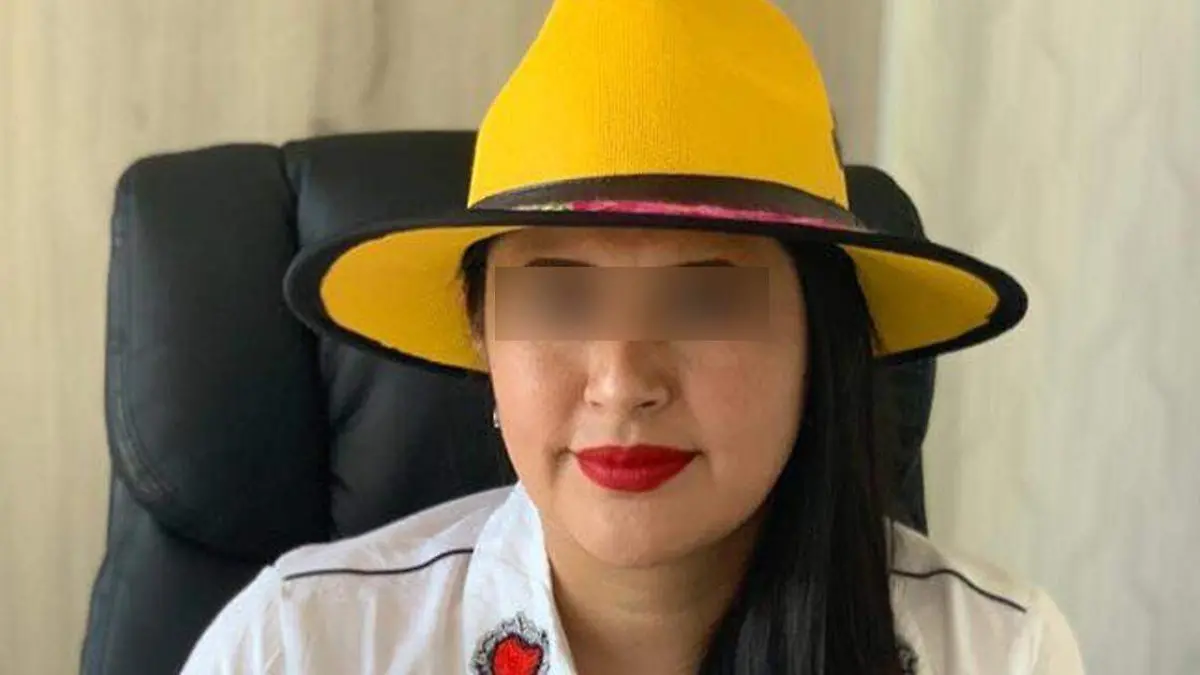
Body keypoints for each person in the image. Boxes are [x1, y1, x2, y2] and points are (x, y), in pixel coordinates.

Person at [182, 0, 1086, 673]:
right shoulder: (297, 648)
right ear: (480, 333)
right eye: (560, 299)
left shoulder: (995, 653)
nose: (622, 381)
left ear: (821, 340)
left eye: (705, 300)